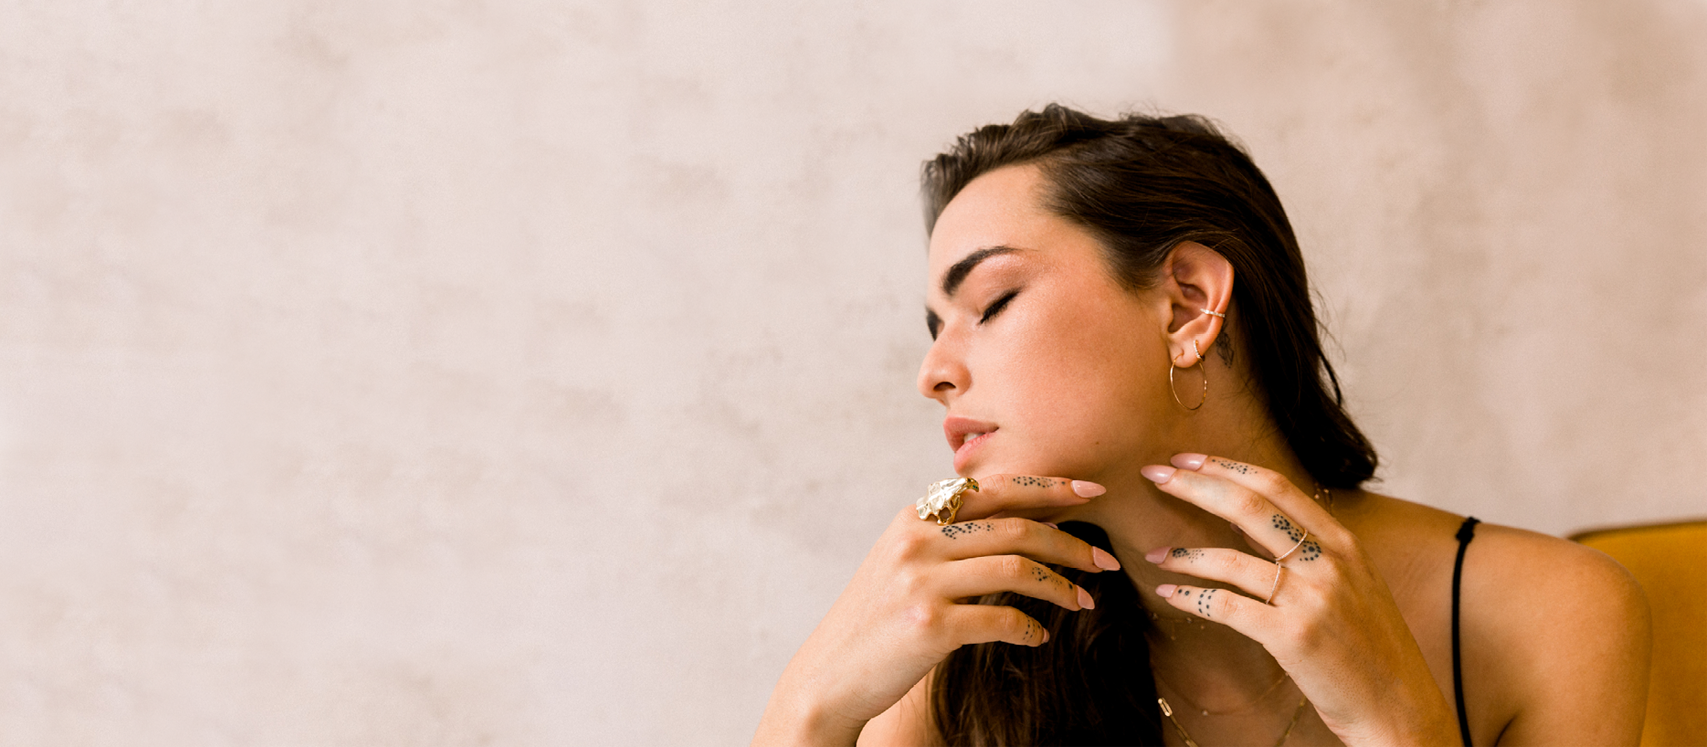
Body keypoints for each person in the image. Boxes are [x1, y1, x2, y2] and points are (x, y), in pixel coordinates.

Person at [752, 105, 1650, 747]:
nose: (932, 372)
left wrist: (1393, 725)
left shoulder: (1549, 616)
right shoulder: (973, 637)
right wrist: (809, 708)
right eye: (932, 329)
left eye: (989, 302)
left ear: (1186, 302)